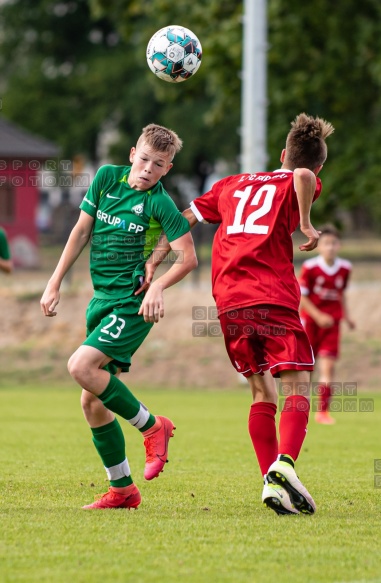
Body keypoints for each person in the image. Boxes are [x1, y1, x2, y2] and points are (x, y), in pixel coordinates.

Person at [139, 113, 334, 516]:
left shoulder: (232, 184)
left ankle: (272, 483)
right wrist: (309, 226)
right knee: (297, 387)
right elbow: (299, 177)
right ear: (317, 167)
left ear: (280, 152)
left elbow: (184, 218)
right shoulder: (300, 179)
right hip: (272, 295)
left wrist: (155, 261)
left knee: (262, 392)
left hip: (229, 300)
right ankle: (284, 466)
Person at [40, 124, 197, 510]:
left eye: (157, 164)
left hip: (133, 304)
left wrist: (158, 285)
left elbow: (189, 258)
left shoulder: (160, 203)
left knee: (80, 366)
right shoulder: (107, 179)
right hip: (101, 303)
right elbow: (80, 231)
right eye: (143, 159)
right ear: (131, 154)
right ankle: (123, 490)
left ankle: (152, 426)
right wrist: (54, 281)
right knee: (92, 402)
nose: (147, 168)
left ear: (167, 169)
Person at [299, 224, 354, 425]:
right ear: (319, 246)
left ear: (338, 245)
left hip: (333, 324)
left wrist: (347, 317)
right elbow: (302, 298)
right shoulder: (310, 267)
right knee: (307, 369)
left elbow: (341, 295)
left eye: (333, 243)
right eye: (326, 243)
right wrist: (318, 315)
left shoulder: (345, 268)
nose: (330, 247)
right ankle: (301, 408)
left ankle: (323, 412)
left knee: (328, 368)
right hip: (311, 324)